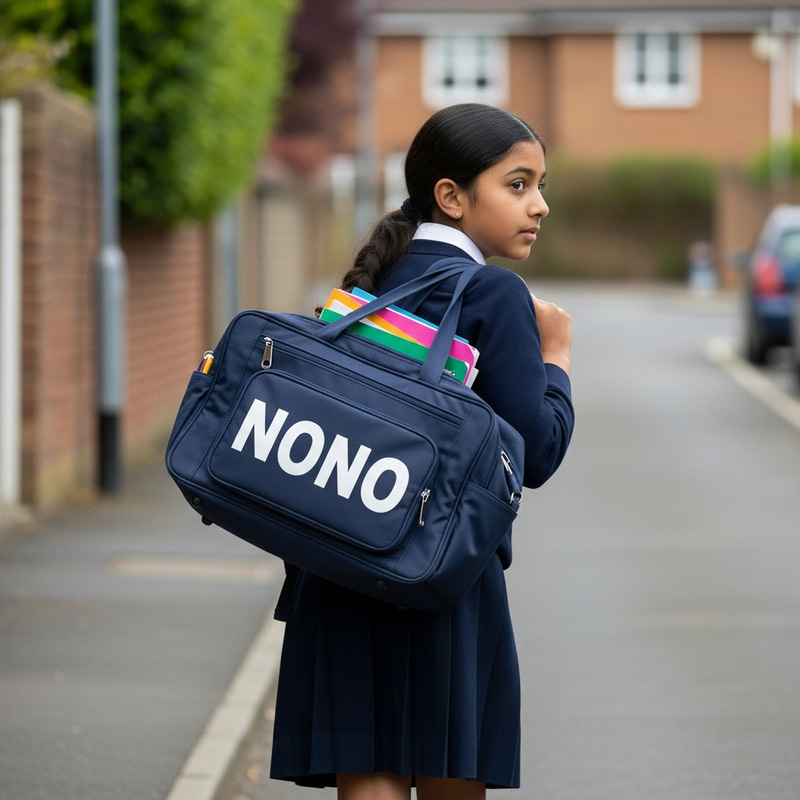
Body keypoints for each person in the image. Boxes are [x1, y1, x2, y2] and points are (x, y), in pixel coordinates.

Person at [269, 103, 575, 799]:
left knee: (368, 773)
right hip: (441, 579)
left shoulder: (367, 282)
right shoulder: (493, 293)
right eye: (520, 184)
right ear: (451, 195)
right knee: (446, 772)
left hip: (340, 564)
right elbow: (536, 453)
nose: (541, 205)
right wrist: (555, 357)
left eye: (540, 185)